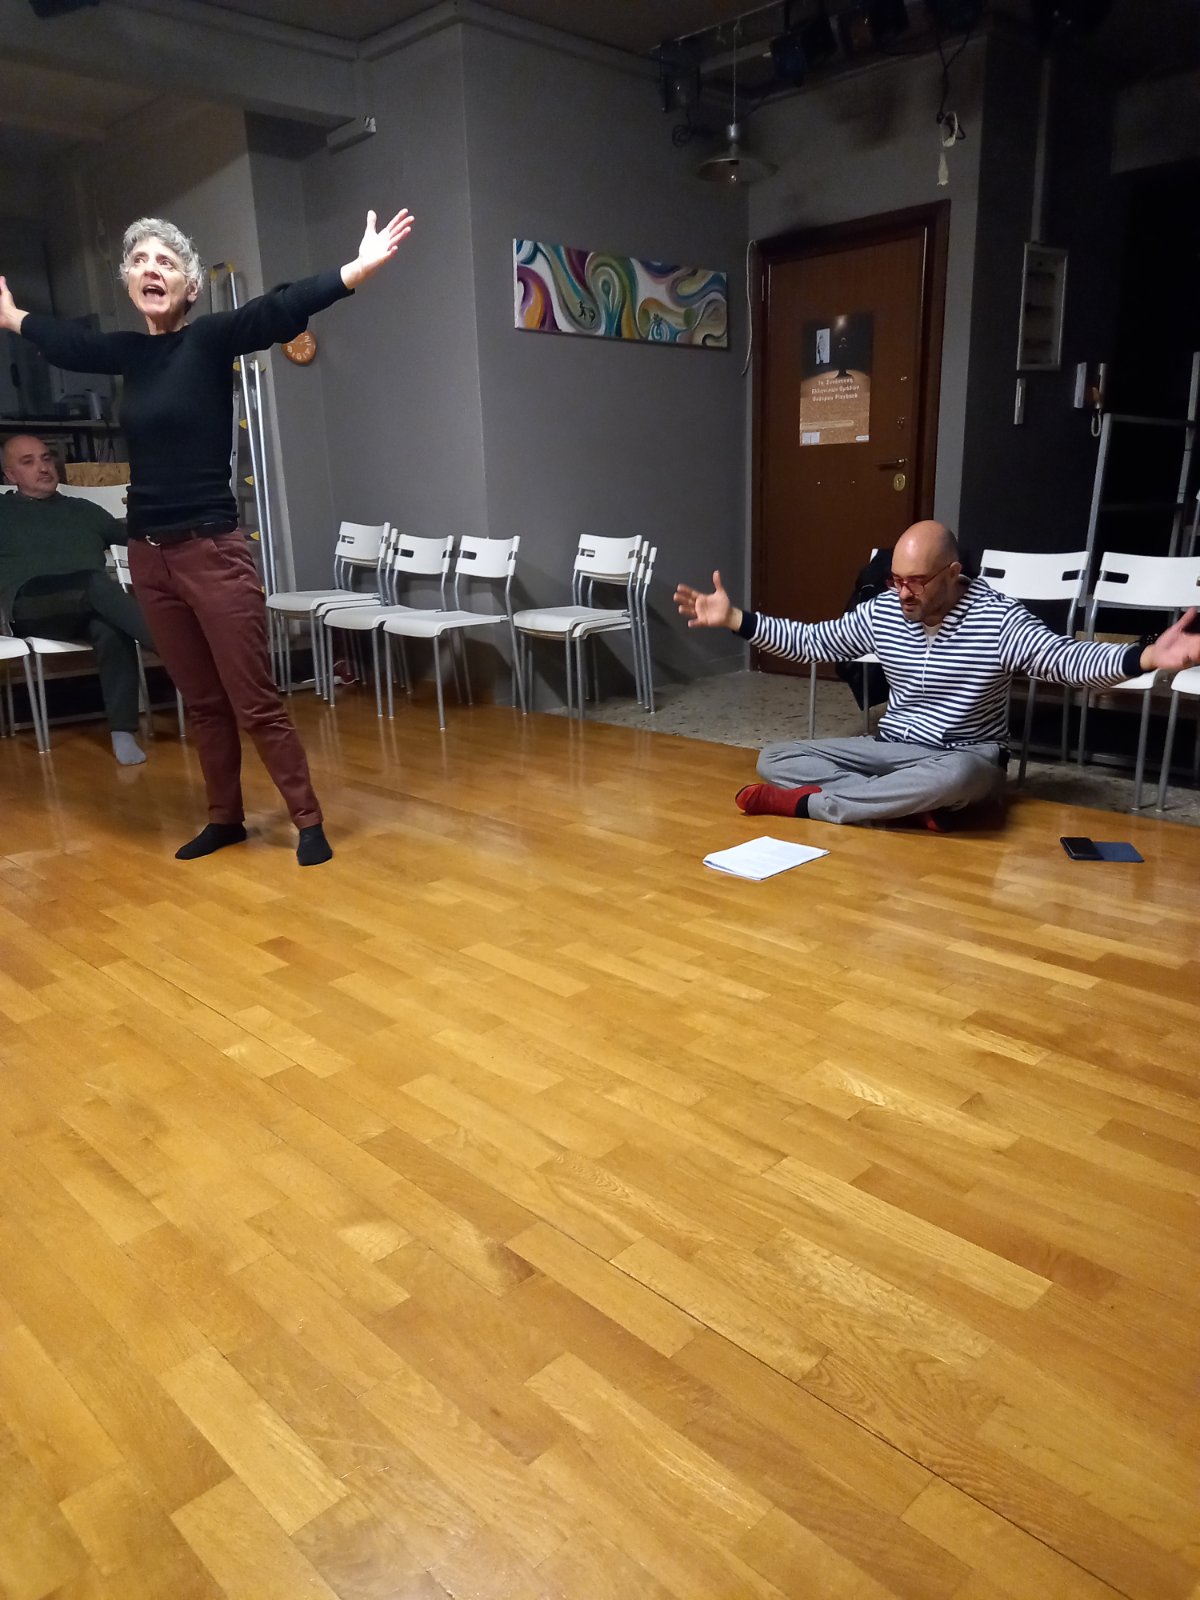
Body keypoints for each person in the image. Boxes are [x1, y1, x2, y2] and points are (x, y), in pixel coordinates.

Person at [0, 206, 413, 865]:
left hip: (212, 551)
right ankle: (225, 819)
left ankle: (307, 821)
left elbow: (276, 311)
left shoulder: (211, 338)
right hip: (150, 558)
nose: (151, 269)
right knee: (201, 702)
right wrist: (13, 318)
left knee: (255, 701)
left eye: (165, 261)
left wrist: (353, 272)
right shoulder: (128, 353)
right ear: (129, 282)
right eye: (140, 261)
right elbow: (72, 345)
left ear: (189, 286)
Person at [674, 519, 1200, 829]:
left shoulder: (998, 619)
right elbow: (814, 641)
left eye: (916, 582)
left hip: (965, 756)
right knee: (775, 757)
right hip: (891, 749)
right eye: (895, 580)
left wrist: (1145, 656)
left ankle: (815, 806)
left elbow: (1065, 660)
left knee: (957, 779)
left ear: (953, 574)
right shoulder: (884, 609)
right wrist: (736, 619)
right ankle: (901, 805)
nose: (902, 593)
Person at [1, 433, 155, 765]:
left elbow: (138, 537)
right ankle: (181, 654)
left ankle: (123, 733)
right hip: (31, 606)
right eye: (28, 462)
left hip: (86, 604)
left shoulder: (84, 510)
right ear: (11, 475)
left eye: (46, 458)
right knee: (95, 583)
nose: (43, 467)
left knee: (109, 627)